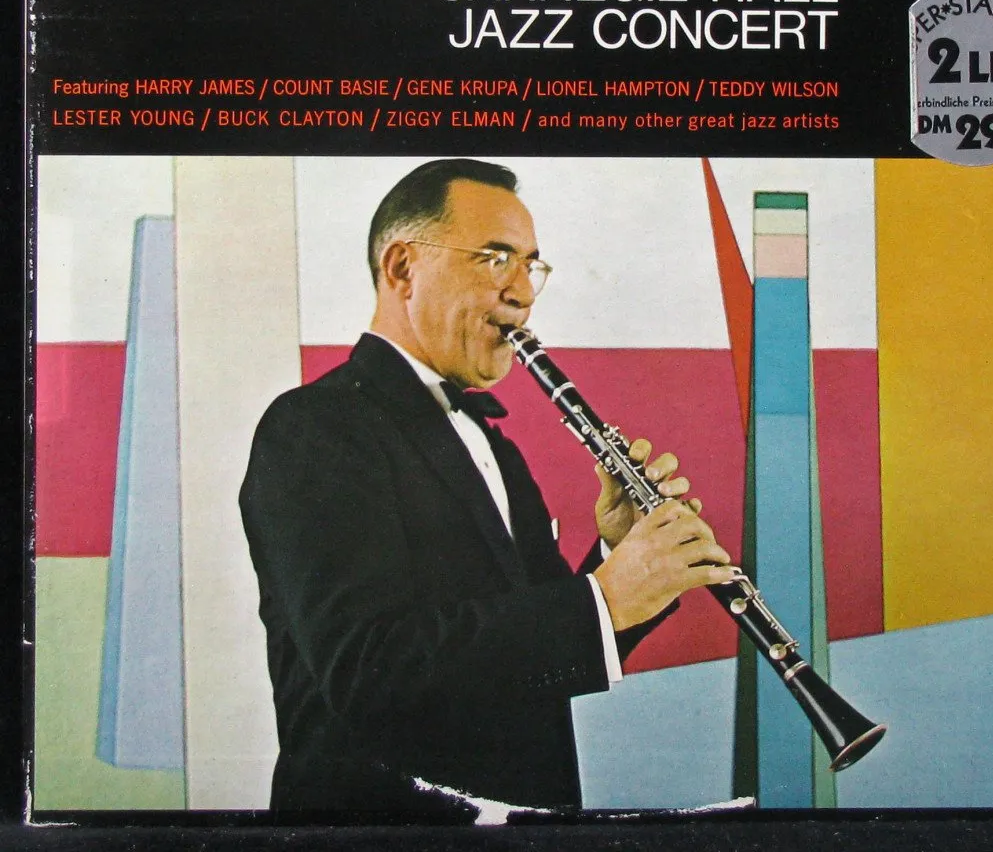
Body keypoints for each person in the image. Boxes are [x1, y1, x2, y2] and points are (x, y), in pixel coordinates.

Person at [239, 158, 735, 817]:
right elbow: (368, 672)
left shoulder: (494, 447)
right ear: (403, 268)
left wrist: (619, 558)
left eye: (531, 265)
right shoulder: (316, 427)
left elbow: (543, 660)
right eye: (496, 258)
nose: (523, 292)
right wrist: (606, 599)